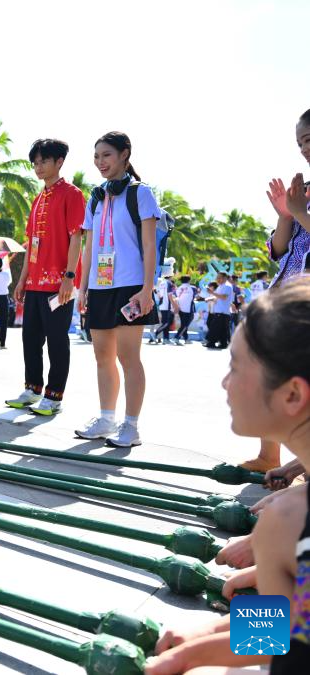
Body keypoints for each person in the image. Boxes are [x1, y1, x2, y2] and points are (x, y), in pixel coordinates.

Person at [145, 279, 310, 675]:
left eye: (235, 367)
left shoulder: (288, 521)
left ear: (292, 395)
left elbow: (283, 634)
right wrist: (200, 641)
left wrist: (191, 656)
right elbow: (296, 620)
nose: (224, 383)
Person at [74, 132, 159, 448]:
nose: (100, 162)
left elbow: (149, 245)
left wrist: (147, 288)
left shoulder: (141, 193)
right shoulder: (96, 196)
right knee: (102, 356)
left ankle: (131, 426)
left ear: (125, 155)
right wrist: (83, 287)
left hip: (130, 286)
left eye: (106, 155)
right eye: (96, 157)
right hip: (99, 285)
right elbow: (88, 245)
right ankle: (106, 418)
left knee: (128, 356)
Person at [237, 109, 310, 473]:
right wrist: (286, 215)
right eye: (300, 142)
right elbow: (280, 250)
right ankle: (270, 455)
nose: (304, 149)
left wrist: (298, 212)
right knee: (271, 370)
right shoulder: (304, 191)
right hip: (286, 294)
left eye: (309, 140)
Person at [6, 139, 84, 415]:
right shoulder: (38, 198)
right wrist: (22, 279)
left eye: (43, 161)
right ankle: (32, 389)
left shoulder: (72, 194)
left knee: (57, 339)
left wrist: (69, 276)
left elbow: (77, 237)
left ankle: (54, 396)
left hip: (59, 283)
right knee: (30, 337)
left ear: (59, 162)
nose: (38, 167)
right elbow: (31, 244)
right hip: (35, 282)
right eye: (35, 163)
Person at [205, 272, 233, 349]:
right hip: (219, 311)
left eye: (219, 277)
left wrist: (212, 292)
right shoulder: (221, 286)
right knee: (222, 329)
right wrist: (209, 298)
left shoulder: (227, 286)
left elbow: (224, 297)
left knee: (215, 328)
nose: (217, 279)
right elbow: (217, 297)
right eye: (217, 277)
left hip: (222, 311)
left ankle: (212, 342)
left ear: (224, 278)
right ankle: (223, 343)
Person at [149, 273, 177, 344]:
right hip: (166, 305)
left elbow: (159, 295)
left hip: (162, 305)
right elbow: (170, 295)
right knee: (166, 323)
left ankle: (166, 338)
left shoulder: (162, 283)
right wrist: (174, 305)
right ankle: (155, 334)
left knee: (165, 323)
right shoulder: (169, 283)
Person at [172, 274, 196, 344]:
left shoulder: (178, 288)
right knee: (185, 324)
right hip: (189, 309)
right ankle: (176, 337)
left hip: (180, 308)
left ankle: (186, 339)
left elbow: (176, 296)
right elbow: (196, 295)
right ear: (189, 280)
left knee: (184, 324)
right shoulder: (193, 288)